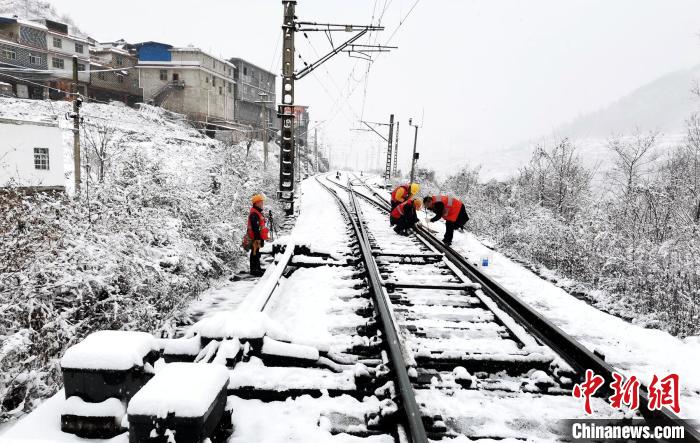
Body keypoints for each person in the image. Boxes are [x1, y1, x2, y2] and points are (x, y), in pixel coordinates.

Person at [247, 194, 270, 276]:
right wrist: (258, 238)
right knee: (254, 253)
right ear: (256, 203)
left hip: (257, 237)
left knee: (256, 252)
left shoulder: (257, 212)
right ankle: (254, 270)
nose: (262, 204)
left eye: (262, 202)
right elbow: (255, 227)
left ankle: (257, 268)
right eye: (261, 202)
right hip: (255, 237)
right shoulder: (254, 214)